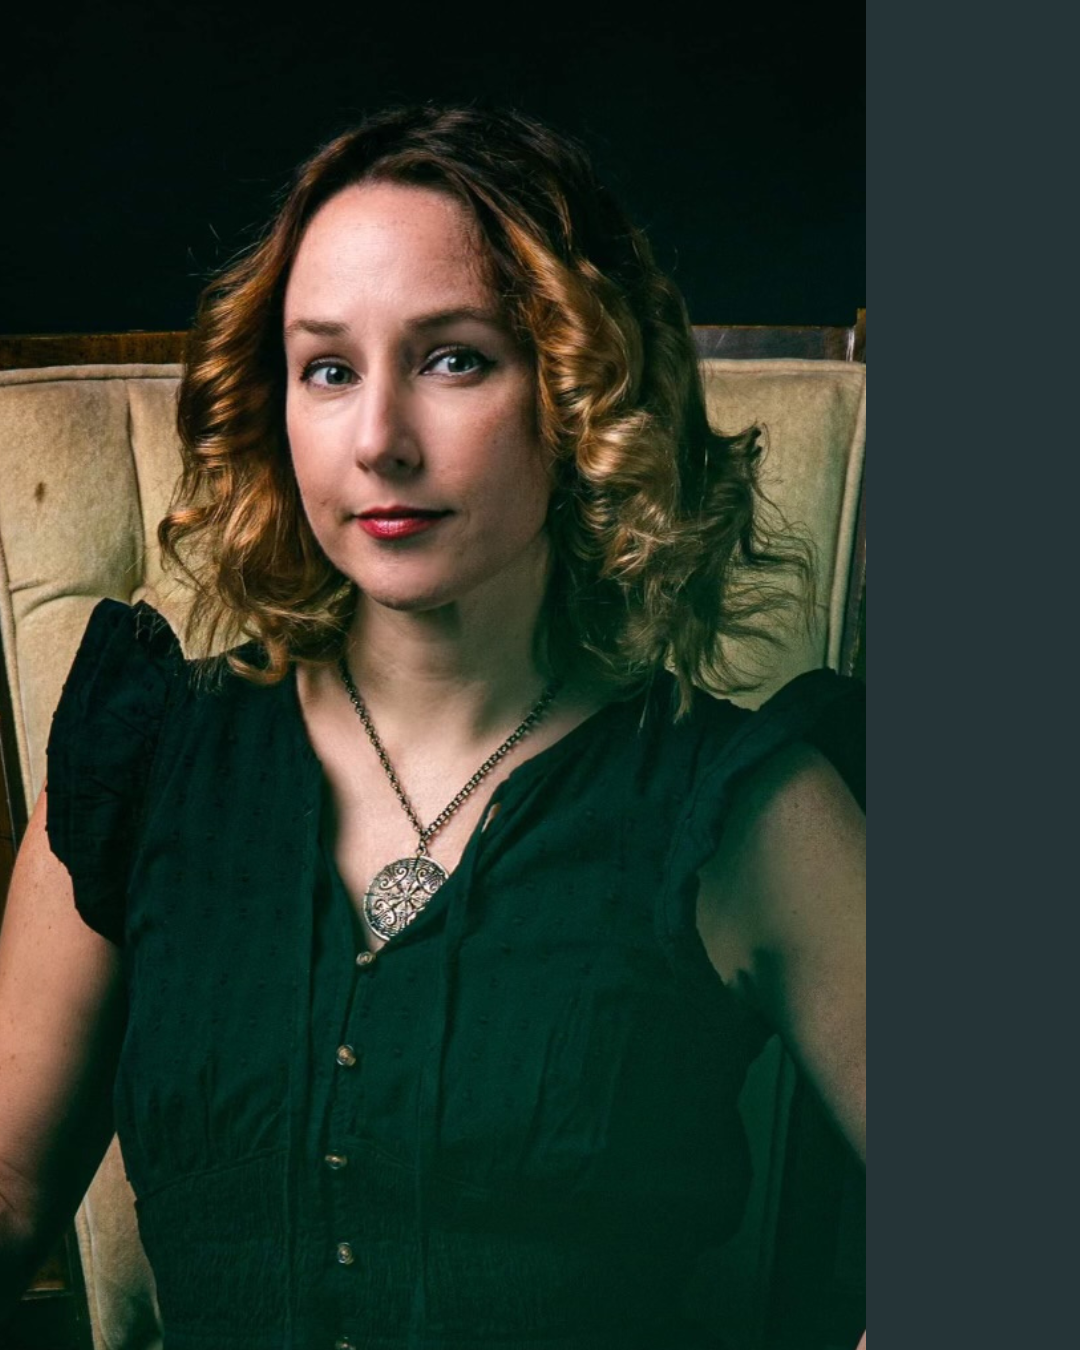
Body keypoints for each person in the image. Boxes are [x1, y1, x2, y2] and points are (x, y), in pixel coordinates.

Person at [0, 105, 864, 1348]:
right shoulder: (149, 757)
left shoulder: (736, 806)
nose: (378, 441)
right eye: (328, 368)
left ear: (578, 393)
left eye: (454, 358)